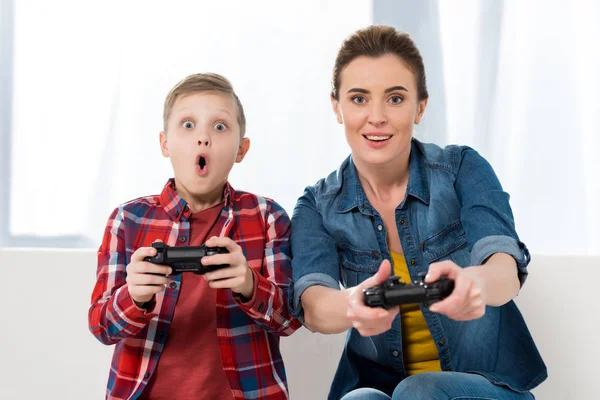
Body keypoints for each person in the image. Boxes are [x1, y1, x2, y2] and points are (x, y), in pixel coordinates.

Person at [290, 25, 547, 400]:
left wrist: (473, 284)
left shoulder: (463, 169)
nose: (376, 117)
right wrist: (352, 305)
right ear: (337, 107)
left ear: (420, 107)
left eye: (395, 99)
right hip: (384, 389)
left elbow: (504, 269)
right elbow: (314, 305)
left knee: (419, 390)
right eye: (359, 99)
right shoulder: (317, 205)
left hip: (488, 387)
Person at [88, 73, 301, 400]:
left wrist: (247, 283)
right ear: (165, 144)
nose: (203, 137)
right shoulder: (127, 221)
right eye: (188, 125)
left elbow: (289, 319)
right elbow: (101, 326)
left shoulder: (267, 217)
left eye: (219, 127)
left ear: (241, 149)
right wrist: (135, 296)